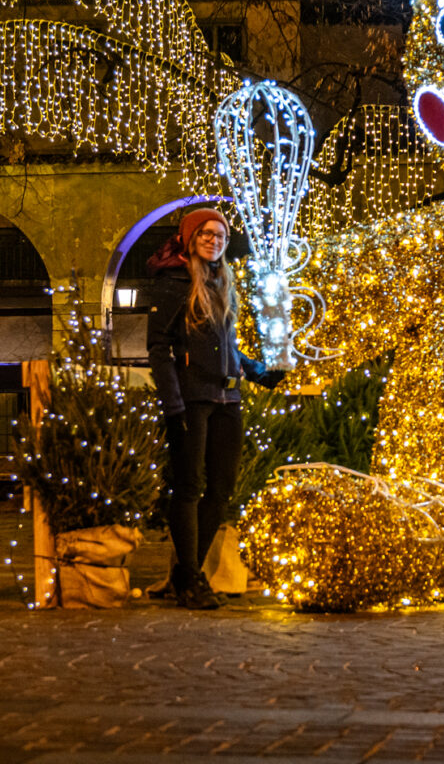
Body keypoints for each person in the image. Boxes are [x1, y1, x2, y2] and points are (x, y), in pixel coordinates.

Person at [145, 208, 282, 609]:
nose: (214, 240)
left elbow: (224, 348)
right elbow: (159, 349)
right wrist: (173, 405)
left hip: (227, 399)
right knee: (188, 488)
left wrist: (258, 371)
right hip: (191, 399)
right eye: (206, 233)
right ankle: (190, 578)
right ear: (190, 237)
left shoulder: (221, 281)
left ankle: (187, 573)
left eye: (220, 235)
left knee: (220, 490)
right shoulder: (174, 283)